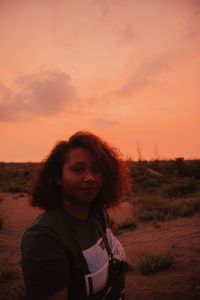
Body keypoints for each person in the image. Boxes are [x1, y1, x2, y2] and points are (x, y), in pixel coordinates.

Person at [21, 131, 131, 300]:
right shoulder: (44, 238)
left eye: (96, 169)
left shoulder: (96, 212)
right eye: (78, 169)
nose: (90, 178)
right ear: (58, 177)